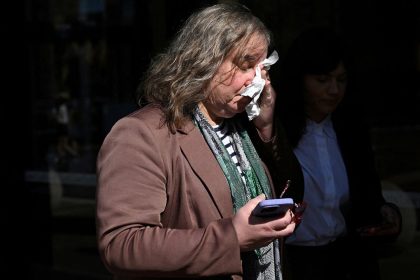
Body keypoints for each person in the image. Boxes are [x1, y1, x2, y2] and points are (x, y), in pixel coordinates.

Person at [96, 3, 297, 280]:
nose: (256, 80)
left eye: (262, 67)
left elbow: (293, 191)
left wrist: (266, 127)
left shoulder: (244, 125)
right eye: (246, 64)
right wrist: (231, 238)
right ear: (206, 59)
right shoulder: (143, 133)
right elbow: (121, 245)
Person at [269, 26, 402, 280]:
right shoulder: (277, 131)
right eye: (323, 80)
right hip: (295, 262)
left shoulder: (350, 131)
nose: (334, 90)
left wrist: (386, 213)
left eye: (341, 80)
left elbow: (369, 193)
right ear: (301, 79)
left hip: (348, 261)